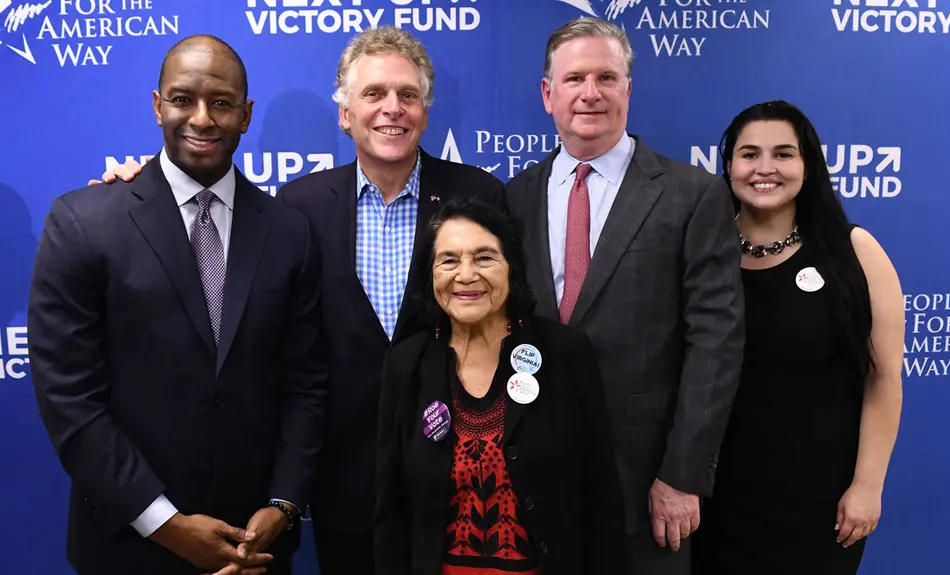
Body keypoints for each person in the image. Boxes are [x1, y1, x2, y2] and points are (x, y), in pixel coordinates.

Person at [91, 26, 505, 575]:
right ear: (345, 113)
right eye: (373, 94)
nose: (392, 109)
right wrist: (138, 187)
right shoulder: (297, 207)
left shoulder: (479, 195)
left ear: (425, 112)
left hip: (464, 473)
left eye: (408, 96)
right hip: (341, 485)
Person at [28, 35, 326, 575]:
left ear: (246, 113)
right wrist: (164, 523)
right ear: (157, 104)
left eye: (221, 103)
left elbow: (306, 384)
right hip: (127, 546)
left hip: (254, 547)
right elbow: (70, 398)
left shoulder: (289, 232)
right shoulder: (82, 222)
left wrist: (283, 505)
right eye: (183, 98)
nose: (202, 118)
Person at [504, 18, 745, 575]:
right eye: (574, 79)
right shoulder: (514, 196)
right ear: (548, 94)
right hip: (533, 479)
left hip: (647, 483)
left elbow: (717, 342)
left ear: (628, 90)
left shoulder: (693, 194)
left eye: (606, 77)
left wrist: (683, 475)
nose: (590, 93)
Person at [691, 100, 904, 574]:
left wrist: (868, 487)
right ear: (728, 167)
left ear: (808, 166)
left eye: (783, 154)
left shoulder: (854, 251)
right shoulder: (701, 254)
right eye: (749, 154)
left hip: (821, 505)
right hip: (714, 500)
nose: (765, 168)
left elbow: (884, 378)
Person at [374, 197, 627, 575]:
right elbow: (390, 507)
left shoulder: (564, 352)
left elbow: (602, 494)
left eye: (484, 257)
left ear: (512, 267)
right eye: (448, 260)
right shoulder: (407, 363)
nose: (465, 275)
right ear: (430, 274)